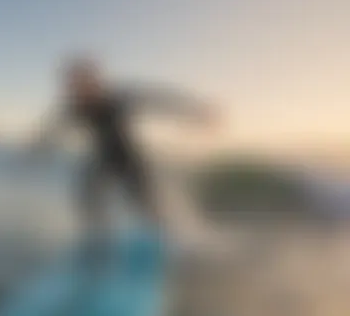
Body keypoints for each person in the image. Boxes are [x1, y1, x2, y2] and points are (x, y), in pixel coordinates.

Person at [34, 57, 218, 237]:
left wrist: (196, 110)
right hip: (102, 160)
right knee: (87, 194)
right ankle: (98, 238)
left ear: (95, 81)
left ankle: (171, 238)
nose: (80, 91)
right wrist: (37, 151)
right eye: (75, 86)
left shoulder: (119, 97)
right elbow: (53, 129)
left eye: (84, 83)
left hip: (127, 158)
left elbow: (159, 99)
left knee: (145, 204)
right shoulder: (74, 107)